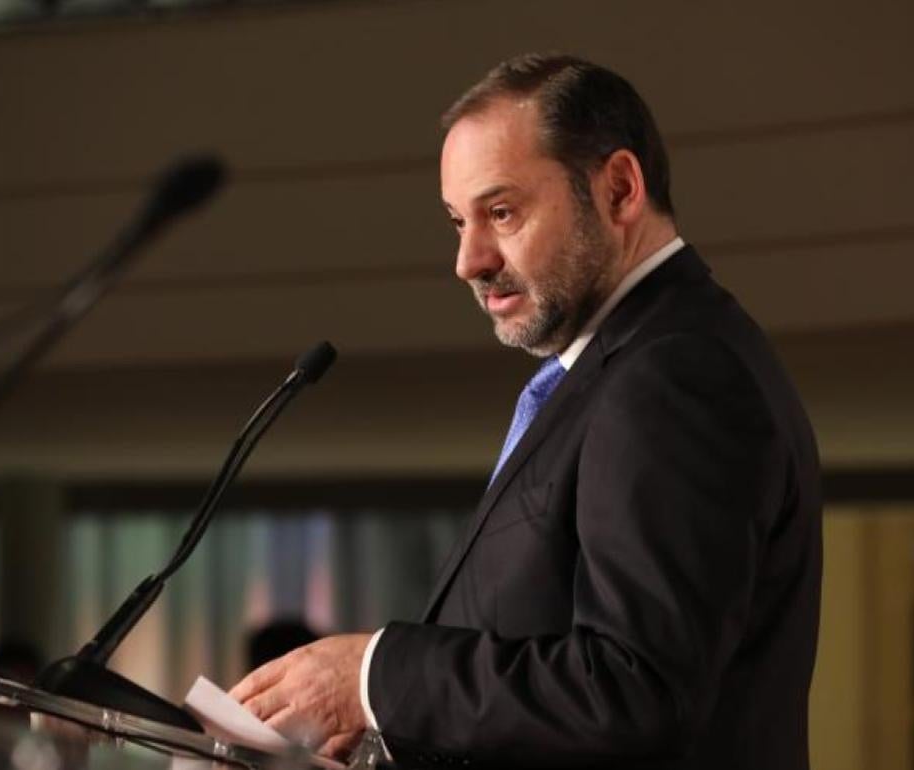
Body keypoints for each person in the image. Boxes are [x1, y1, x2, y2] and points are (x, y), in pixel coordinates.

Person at [230, 53, 823, 769]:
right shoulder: (619, 370)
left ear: (619, 189)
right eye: (458, 222)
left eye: (501, 212)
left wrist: (373, 678)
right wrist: (390, 741)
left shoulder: (676, 373)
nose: (468, 260)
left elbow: (635, 691)